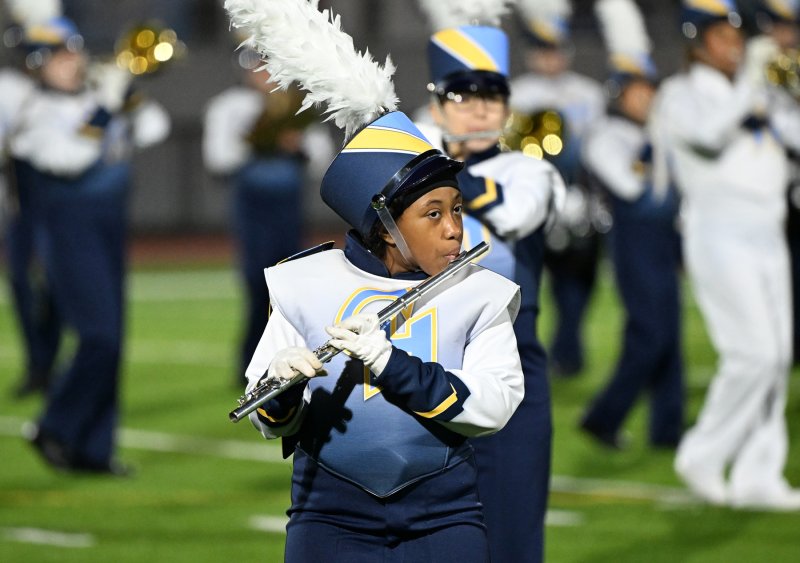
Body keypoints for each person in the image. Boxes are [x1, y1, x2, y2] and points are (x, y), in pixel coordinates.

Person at [226, 0, 524, 560]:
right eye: (432, 215)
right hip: (326, 516)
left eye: (457, 210)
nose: (455, 231)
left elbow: (494, 403)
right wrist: (282, 392)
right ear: (383, 226)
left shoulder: (480, 292)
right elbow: (268, 419)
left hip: (446, 516)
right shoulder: (303, 283)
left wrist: (391, 365)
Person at [414, 6, 565, 561]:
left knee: (514, 526)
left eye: (492, 95)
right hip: (422, 354)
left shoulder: (531, 170)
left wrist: (432, 163)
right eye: (461, 94)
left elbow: (518, 216)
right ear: (435, 104)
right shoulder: (412, 166)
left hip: (511, 356)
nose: (479, 108)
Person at [651, 0, 800, 509]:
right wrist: (753, 87)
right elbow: (710, 136)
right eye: (723, 36)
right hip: (718, 231)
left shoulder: (760, 88)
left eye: (737, 36)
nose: (735, 45)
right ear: (697, 42)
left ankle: (760, 474)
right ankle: (703, 453)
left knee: (777, 356)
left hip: (769, 230)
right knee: (752, 352)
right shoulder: (679, 94)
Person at [11, 13, 171, 475]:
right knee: (98, 337)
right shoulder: (34, 114)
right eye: (60, 53)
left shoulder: (98, 95)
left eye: (73, 50)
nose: (72, 60)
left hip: (109, 230)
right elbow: (71, 159)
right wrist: (105, 105)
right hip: (68, 234)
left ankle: (92, 452)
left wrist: (124, 94)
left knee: (113, 343)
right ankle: (53, 427)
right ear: (39, 62)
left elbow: (156, 127)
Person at [579, 0, 684, 451]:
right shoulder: (607, 135)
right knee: (650, 335)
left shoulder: (652, 133)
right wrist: (657, 144)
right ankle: (604, 417)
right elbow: (631, 188)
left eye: (651, 90)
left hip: (664, 240)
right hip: (633, 242)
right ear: (621, 92)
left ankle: (668, 429)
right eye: (639, 91)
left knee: (670, 336)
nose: (649, 99)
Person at [203, 46, 333, 386]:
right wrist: (258, 138)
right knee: (257, 287)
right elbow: (218, 158)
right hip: (254, 208)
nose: (263, 74)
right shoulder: (230, 105)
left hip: (288, 210)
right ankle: (250, 364)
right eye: (257, 67)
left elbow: (321, 157)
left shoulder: (294, 102)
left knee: (289, 290)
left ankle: (290, 361)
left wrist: (296, 144)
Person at [511, 0, 608, 377]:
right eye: (542, 49)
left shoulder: (588, 93)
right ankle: (525, 356)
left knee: (577, 281)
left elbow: (596, 151)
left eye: (555, 49)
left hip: (576, 197)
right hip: (531, 199)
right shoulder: (516, 94)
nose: (550, 57)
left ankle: (568, 354)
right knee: (527, 282)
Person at [0, 2, 62, 398]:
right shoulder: (8, 88)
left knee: (54, 284)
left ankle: (48, 361)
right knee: (21, 281)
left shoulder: (62, 92)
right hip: (21, 203)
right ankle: (38, 364)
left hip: (57, 203)